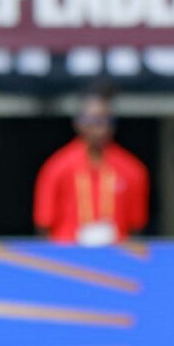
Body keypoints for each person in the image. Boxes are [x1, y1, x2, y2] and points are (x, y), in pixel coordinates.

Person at [33, 91, 149, 246]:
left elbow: (136, 225)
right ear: (78, 123)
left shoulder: (132, 169)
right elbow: (43, 223)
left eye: (106, 121)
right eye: (93, 121)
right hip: (69, 254)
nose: (100, 128)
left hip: (115, 255)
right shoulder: (57, 166)